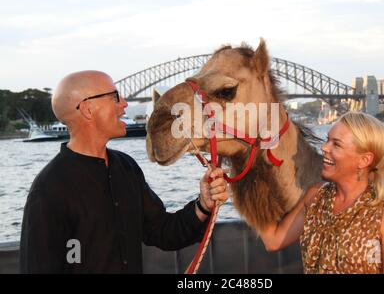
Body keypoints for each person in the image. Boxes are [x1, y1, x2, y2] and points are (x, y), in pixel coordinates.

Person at [19, 70, 229, 273]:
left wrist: (203, 205)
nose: (124, 104)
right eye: (115, 97)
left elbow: (163, 232)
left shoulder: (125, 167)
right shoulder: (49, 188)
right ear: (87, 109)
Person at [259, 111, 384, 274]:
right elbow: (273, 241)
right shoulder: (315, 197)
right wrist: (251, 176)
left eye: (336, 144)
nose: (324, 148)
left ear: (364, 160)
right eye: (327, 140)